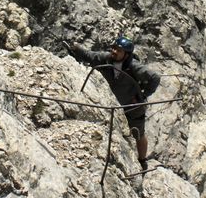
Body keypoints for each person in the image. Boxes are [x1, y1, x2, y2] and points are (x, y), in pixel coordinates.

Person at [67, 36, 160, 169]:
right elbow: (90, 56)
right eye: (114, 48)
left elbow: (155, 78)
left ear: (126, 54)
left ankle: (142, 160)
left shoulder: (134, 66)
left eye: (118, 50)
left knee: (139, 133)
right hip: (115, 103)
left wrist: (143, 95)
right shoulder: (107, 58)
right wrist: (77, 48)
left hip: (133, 106)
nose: (114, 51)